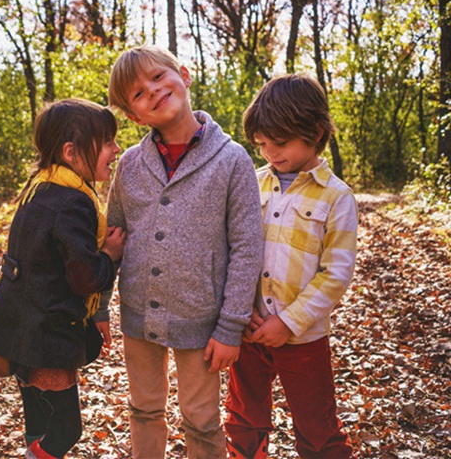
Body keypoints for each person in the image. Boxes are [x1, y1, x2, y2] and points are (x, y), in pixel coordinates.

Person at [106, 45, 264, 459]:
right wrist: (98, 306)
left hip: (203, 319)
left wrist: (231, 326)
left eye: (158, 78)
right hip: (140, 316)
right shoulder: (129, 165)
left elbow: (247, 248)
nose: (153, 92)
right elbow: (112, 242)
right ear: (135, 115)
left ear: (185, 75)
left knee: (201, 419)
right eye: (138, 94)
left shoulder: (232, 161)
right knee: (143, 409)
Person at [0, 98, 126, 459]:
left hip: (21, 325)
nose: (116, 148)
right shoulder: (71, 202)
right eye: (106, 141)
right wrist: (110, 255)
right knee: (66, 430)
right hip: (47, 333)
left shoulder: (40, 187)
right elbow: (84, 278)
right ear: (71, 152)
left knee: (38, 420)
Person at [225, 74, 358, 459]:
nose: (270, 152)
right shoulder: (251, 183)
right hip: (248, 331)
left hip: (303, 337)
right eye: (262, 144)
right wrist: (240, 310)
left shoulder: (336, 197)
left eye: (279, 143)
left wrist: (287, 322)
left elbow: (336, 274)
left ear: (315, 132)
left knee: (317, 428)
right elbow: (234, 248)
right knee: (243, 420)